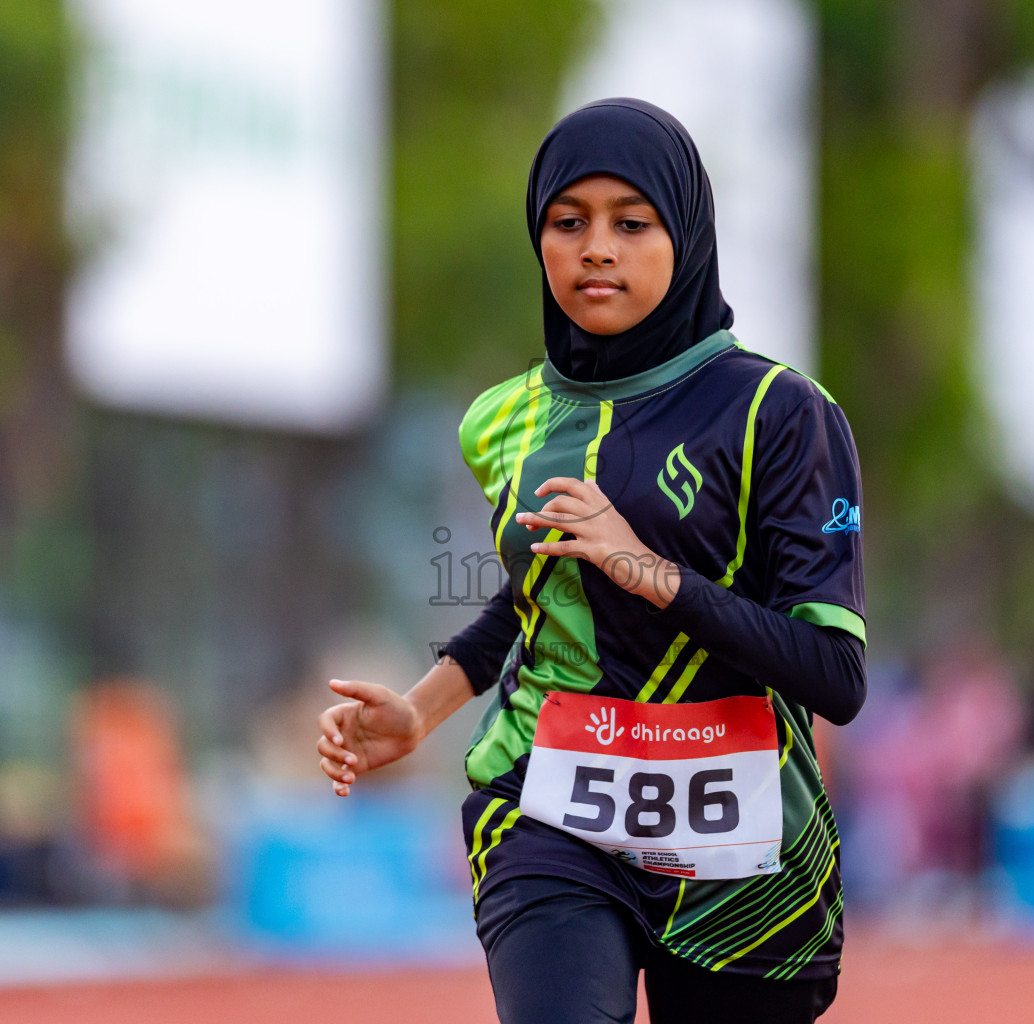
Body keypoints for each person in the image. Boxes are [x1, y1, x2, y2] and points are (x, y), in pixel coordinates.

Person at [318, 98, 866, 1024]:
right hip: (550, 808)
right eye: (568, 222)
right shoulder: (504, 421)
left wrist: (646, 567)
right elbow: (537, 599)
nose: (596, 248)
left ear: (683, 236)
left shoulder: (780, 413)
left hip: (746, 853)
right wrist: (421, 710)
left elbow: (835, 677)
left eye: (631, 222)